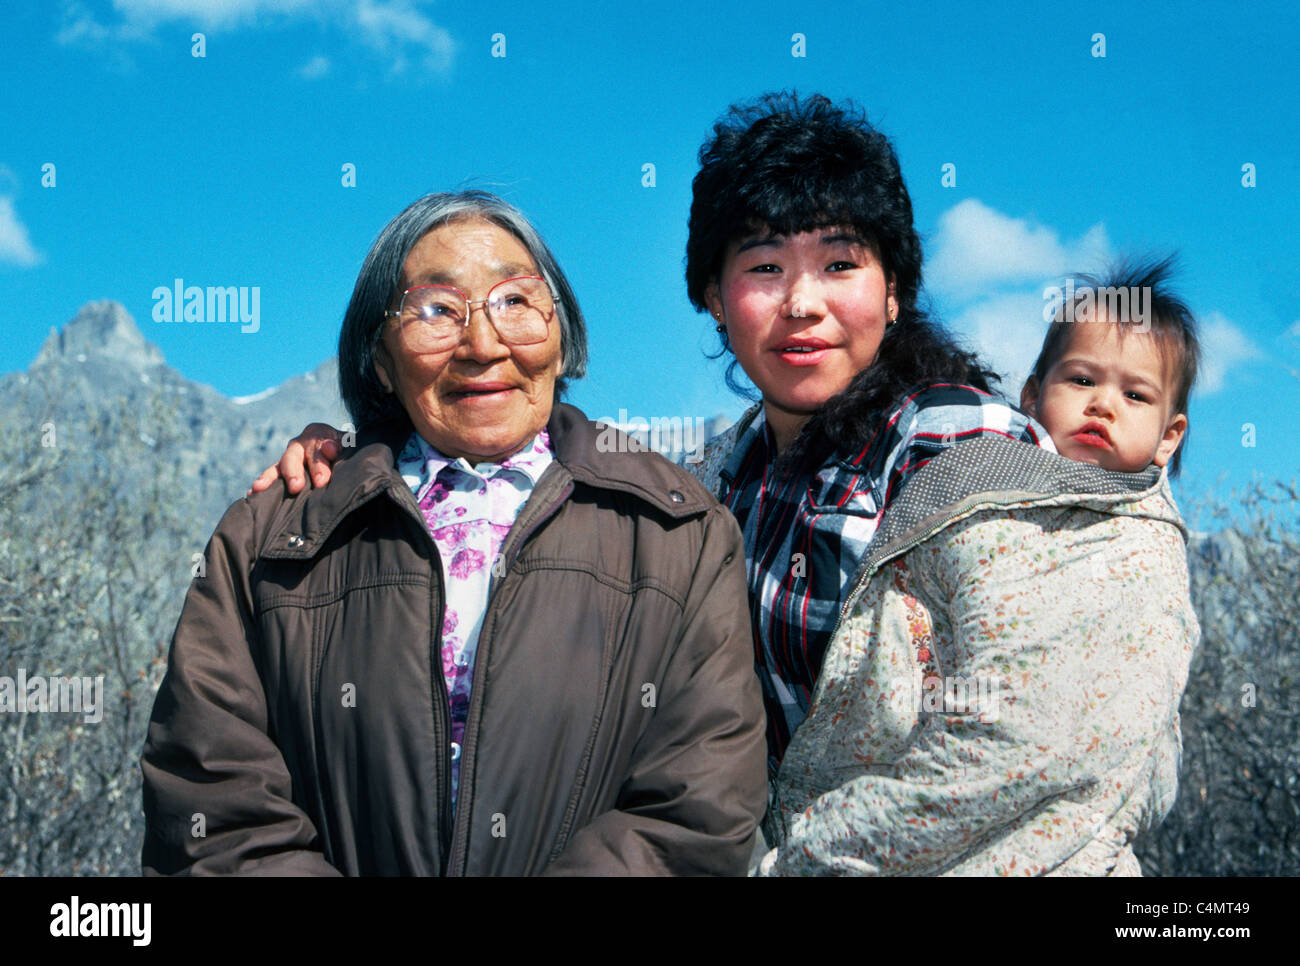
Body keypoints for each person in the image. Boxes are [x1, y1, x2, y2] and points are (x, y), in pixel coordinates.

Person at [257, 94, 1200, 876]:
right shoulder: (718, 483)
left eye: (841, 262)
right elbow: (513, 445)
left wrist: (785, 868)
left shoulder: (978, 454)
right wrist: (366, 453)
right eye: (761, 266)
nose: (802, 302)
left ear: (896, 288)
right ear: (711, 294)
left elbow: (1039, 743)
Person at [141, 190, 768, 876]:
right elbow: (210, 807)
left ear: (563, 338)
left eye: (516, 301)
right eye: (435, 310)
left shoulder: (679, 531)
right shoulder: (270, 540)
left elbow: (695, 813)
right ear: (380, 360)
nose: (482, 344)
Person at [1020, 255, 1197, 475]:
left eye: (1134, 395)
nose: (1103, 405)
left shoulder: (1144, 509)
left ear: (1167, 438)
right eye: (1083, 381)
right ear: (1033, 398)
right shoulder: (991, 470)